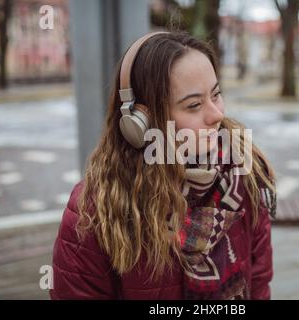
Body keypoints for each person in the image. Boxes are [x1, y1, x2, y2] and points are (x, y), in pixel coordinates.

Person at [50, 31, 276, 300]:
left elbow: (259, 285)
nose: (217, 115)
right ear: (141, 123)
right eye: (193, 105)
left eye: (216, 95)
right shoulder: (95, 211)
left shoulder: (244, 177)